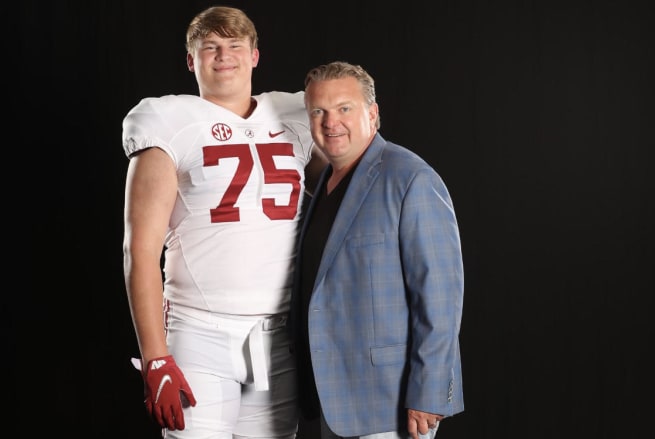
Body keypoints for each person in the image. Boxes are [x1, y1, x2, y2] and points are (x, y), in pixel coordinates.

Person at [121, 6, 326, 438]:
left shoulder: (296, 115)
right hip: (199, 330)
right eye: (209, 47)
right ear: (190, 60)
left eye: (235, 45)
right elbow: (139, 249)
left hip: (278, 333)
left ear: (254, 56)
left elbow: (351, 185)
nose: (223, 56)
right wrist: (155, 357)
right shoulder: (168, 121)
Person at [288, 61, 465, 439]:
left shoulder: (410, 178)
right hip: (335, 399)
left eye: (344, 109)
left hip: (391, 402)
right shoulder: (323, 185)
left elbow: (440, 296)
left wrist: (431, 391)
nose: (330, 122)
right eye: (318, 111)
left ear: (373, 114)